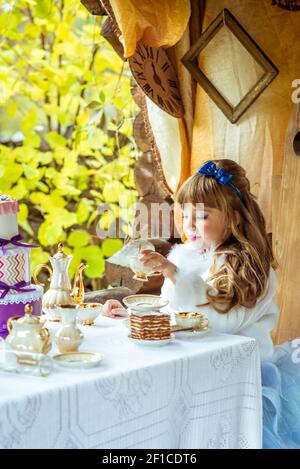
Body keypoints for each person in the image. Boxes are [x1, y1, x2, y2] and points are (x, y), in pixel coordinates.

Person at [102, 159, 300, 449]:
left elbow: (219, 323)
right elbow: (173, 312)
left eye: (202, 216)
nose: (189, 224)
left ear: (233, 219)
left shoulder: (250, 268)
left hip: (235, 380)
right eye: (185, 214)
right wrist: (134, 315)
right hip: (197, 368)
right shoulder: (189, 256)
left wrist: (172, 273)